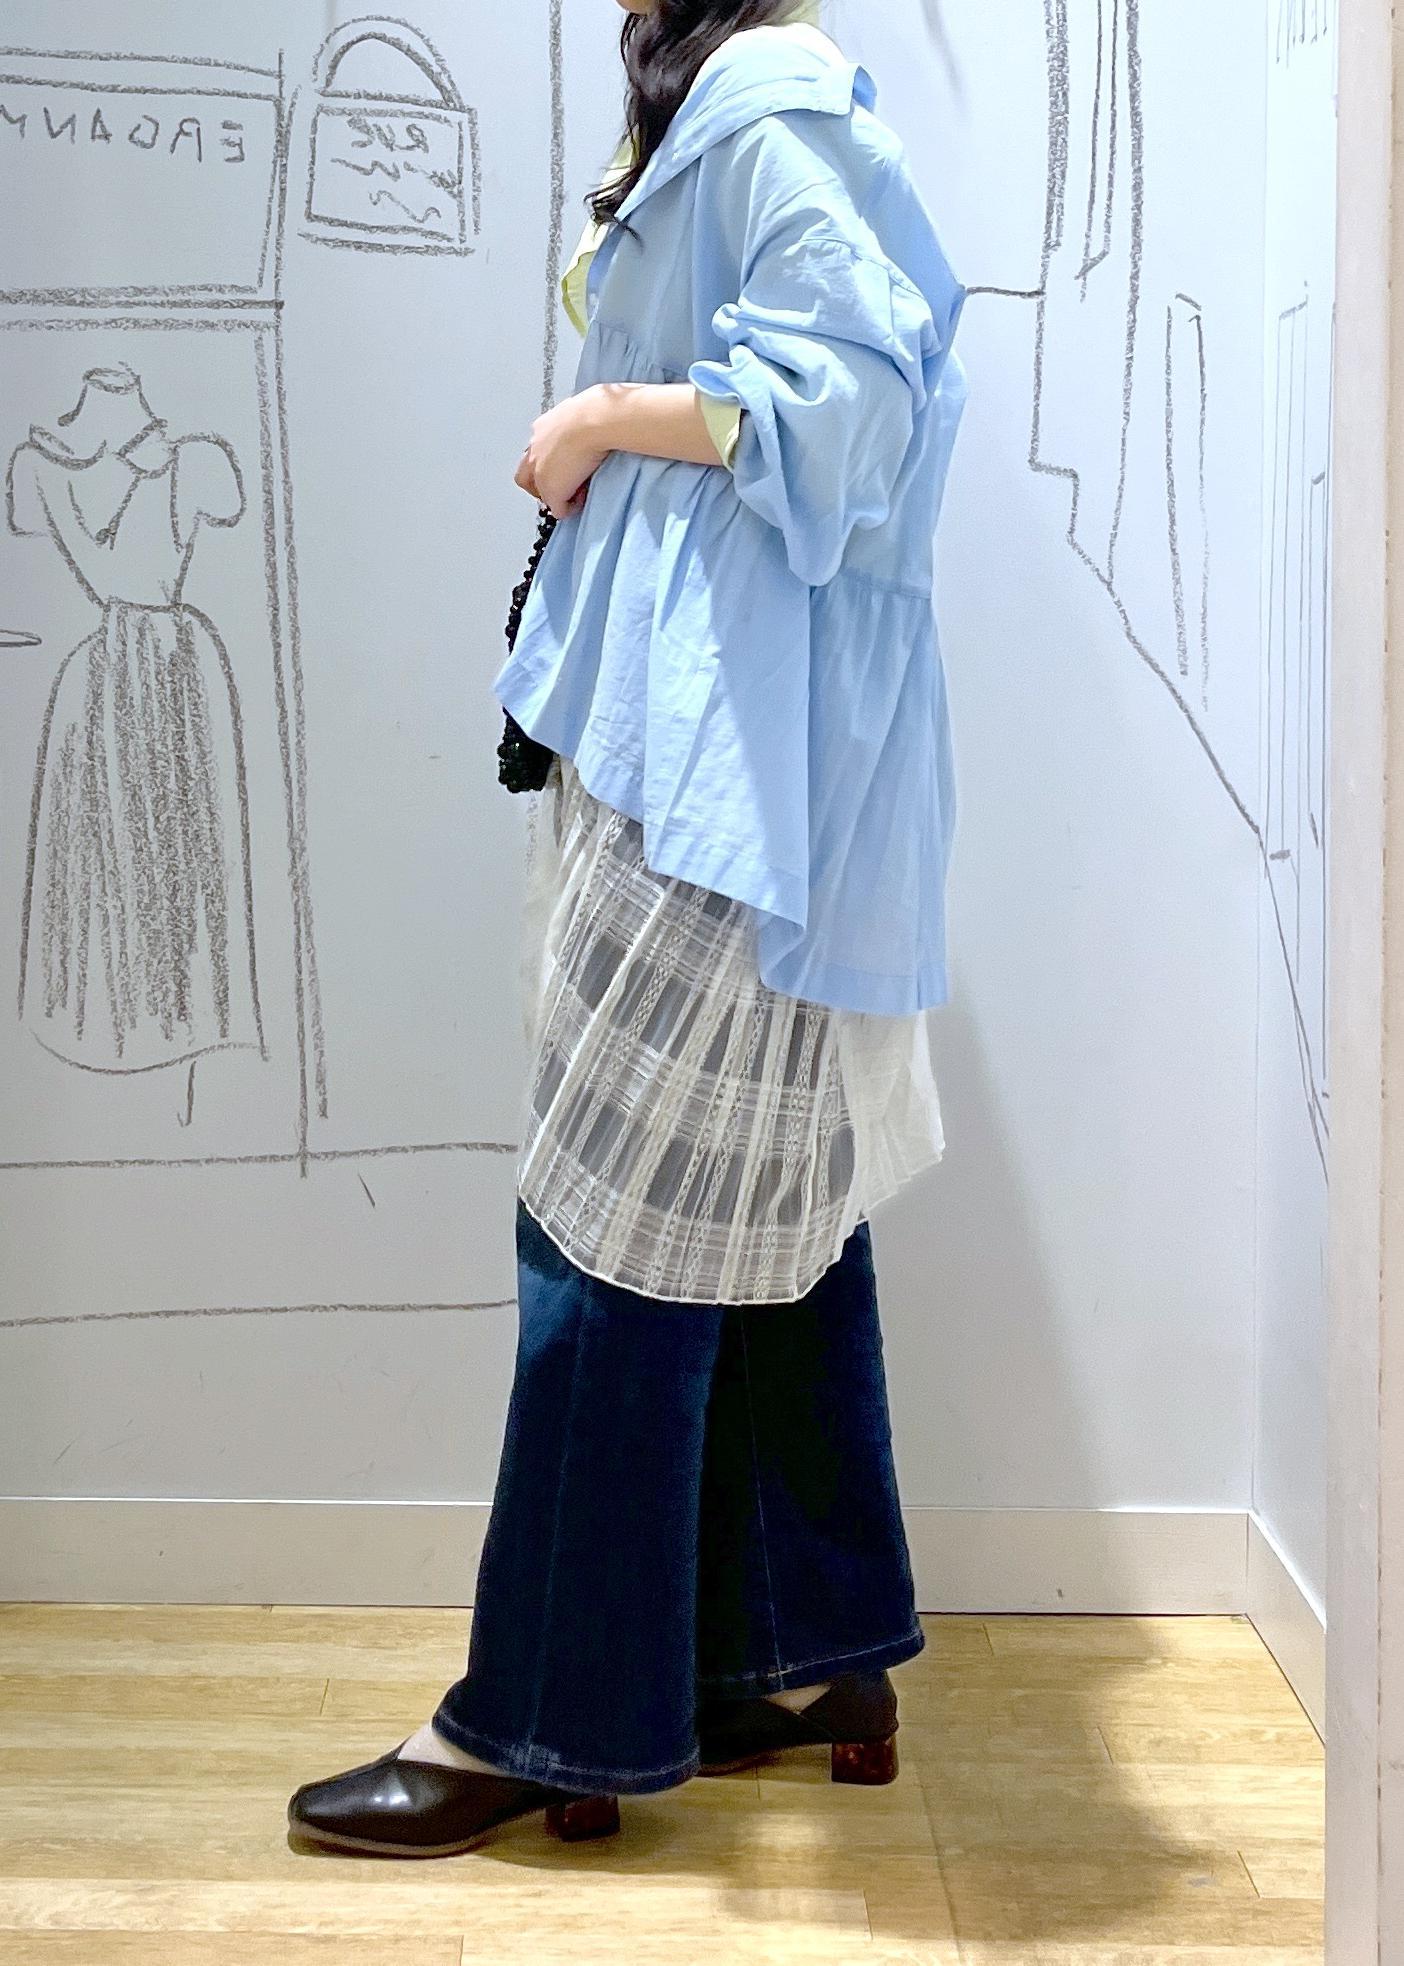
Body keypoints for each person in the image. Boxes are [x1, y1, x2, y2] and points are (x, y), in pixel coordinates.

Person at [287, 0, 967, 1858]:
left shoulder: (767, 102)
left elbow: (858, 405)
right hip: (720, 755)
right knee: (764, 1205)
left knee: (605, 1227)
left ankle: (544, 1711)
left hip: (720, 773)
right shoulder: (743, 95)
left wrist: (600, 416)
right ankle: (810, 1650)